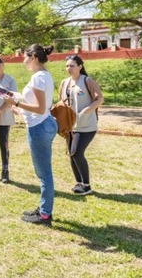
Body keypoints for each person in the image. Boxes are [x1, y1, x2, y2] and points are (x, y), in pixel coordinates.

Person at [3, 45, 57, 225]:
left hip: (39, 127)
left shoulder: (38, 78)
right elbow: (38, 106)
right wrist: (20, 108)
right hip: (44, 123)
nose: (23, 60)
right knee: (44, 171)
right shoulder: (43, 76)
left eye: (24, 57)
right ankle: (44, 209)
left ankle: (44, 214)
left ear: (33, 57)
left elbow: (40, 108)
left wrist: (17, 102)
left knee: (44, 174)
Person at [60, 55, 104, 195]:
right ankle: (79, 183)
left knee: (77, 152)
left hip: (86, 125)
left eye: (72, 65)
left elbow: (99, 98)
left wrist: (87, 110)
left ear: (80, 66)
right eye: (67, 66)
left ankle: (86, 185)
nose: (69, 68)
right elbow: (62, 102)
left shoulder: (87, 81)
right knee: (72, 155)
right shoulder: (64, 83)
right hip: (70, 126)